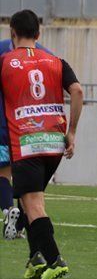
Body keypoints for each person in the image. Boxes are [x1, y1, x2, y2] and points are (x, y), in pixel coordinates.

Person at [0, 9, 83, 279]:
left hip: (26, 142)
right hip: (55, 144)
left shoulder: (5, 61)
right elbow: (78, 91)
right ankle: (35, 259)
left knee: (33, 204)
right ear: (39, 34)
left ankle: (55, 260)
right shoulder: (56, 61)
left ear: (13, 34)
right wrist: (71, 131)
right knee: (30, 200)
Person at [2, 38, 51, 241]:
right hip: (35, 127)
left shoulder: (4, 52)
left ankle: (7, 211)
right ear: (37, 33)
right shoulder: (46, 55)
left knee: (3, 173)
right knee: (30, 182)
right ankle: (21, 224)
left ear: (14, 32)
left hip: (6, 123)